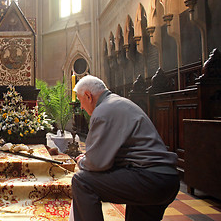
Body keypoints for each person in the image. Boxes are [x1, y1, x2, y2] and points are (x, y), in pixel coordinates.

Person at [71, 75, 180, 221]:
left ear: (88, 96)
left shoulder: (103, 110)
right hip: (167, 179)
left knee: (82, 181)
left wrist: (82, 161)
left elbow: (96, 164)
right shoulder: (121, 103)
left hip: (149, 178)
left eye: (80, 101)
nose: (82, 107)